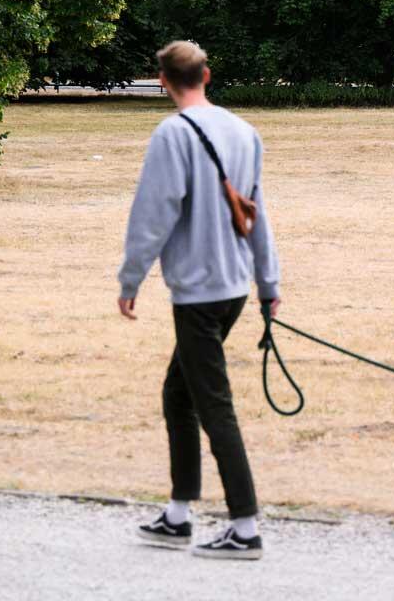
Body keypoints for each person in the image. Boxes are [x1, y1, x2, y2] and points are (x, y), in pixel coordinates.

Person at [118, 40, 280, 561]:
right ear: (206, 75)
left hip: (198, 291)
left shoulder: (171, 135)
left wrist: (130, 280)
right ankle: (178, 513)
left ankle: (245, 526)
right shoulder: (243, 131)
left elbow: (152, 215)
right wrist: (269, 284)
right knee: (179, 394)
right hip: (233, 288)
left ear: (163, 80)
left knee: (213, 405)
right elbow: (257, 213)